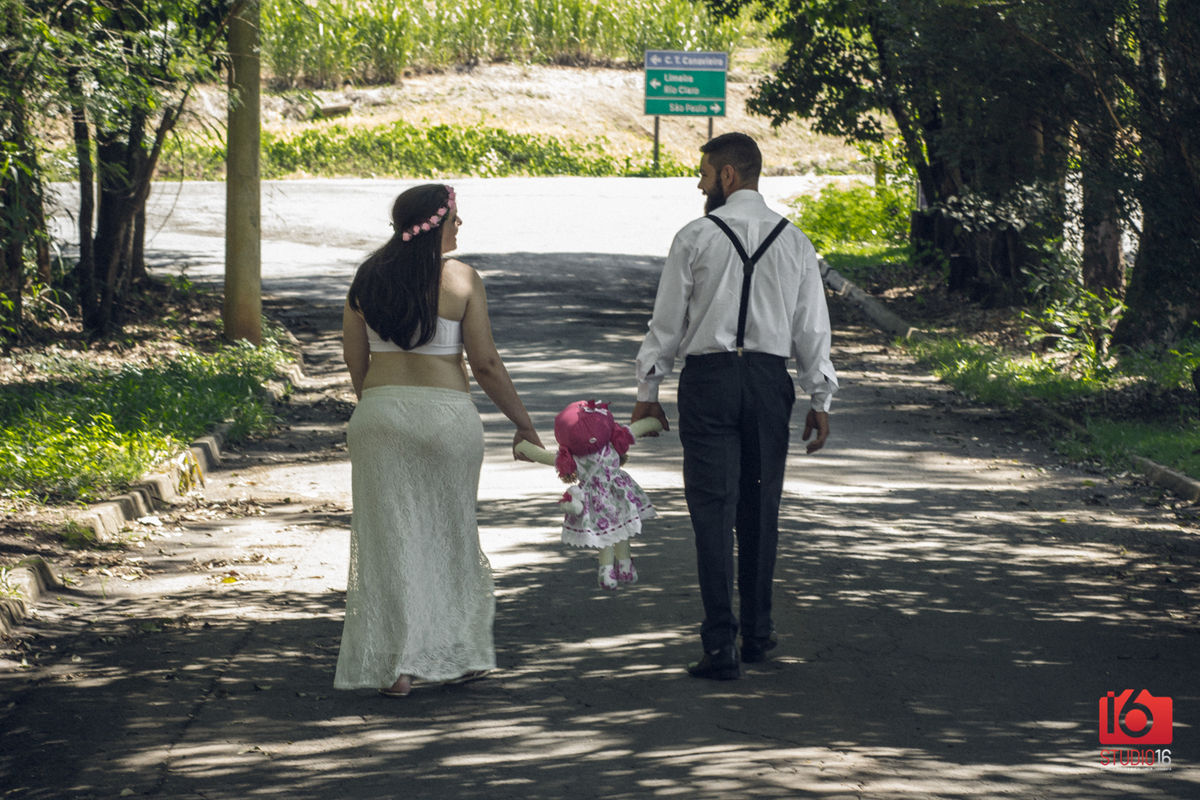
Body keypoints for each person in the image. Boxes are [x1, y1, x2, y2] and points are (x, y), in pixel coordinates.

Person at [631, 133, 838, 680]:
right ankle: (759, 632)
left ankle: (720, 643)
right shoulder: (795, 241)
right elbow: (812, 328)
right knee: (761, 507)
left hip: (710, 381)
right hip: (768, 381)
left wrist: (648, 392)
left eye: (704, 173)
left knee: (712, 510)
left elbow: (666, 324)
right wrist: (820, 397)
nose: (699, 184)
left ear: (727, 176)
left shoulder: (695, 236)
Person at [335, 183, 544, 697]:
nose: (460, 225)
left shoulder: (366, 279)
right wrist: (523, 423)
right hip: (446, 420)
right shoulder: (462, 279)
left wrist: (377, 404)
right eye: (454, 218)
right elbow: (486, 364)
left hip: (379, 417)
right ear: (434, 225)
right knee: (450, 533)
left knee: (389, 540)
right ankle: (460, 653)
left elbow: (355, 359)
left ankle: (398, 668)